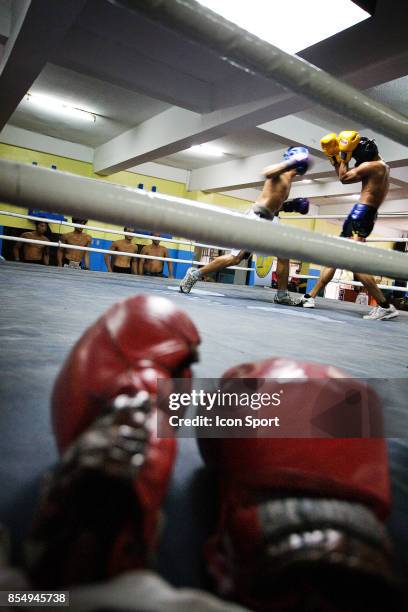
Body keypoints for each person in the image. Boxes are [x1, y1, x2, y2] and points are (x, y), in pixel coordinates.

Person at [179, 147, 310, 305]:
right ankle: (195, 274)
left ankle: (281, 294)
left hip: (271, 220)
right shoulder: (279, 173)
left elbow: (274, 202)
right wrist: (290, 162)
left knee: (284, 255)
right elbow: (266, 172)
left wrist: (291, 206)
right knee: (236, 258)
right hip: (257, 219)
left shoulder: (289, 180)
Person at [302, 131, 398, 320]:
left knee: (354, 262)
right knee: (337, 256)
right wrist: (337, 157)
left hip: (362, 215)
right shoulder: (380, 164)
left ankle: (385, 306)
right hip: (361, 213)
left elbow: (344, 178)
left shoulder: (372, 166)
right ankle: (310, 296)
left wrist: (340, 157)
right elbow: (345, 174)